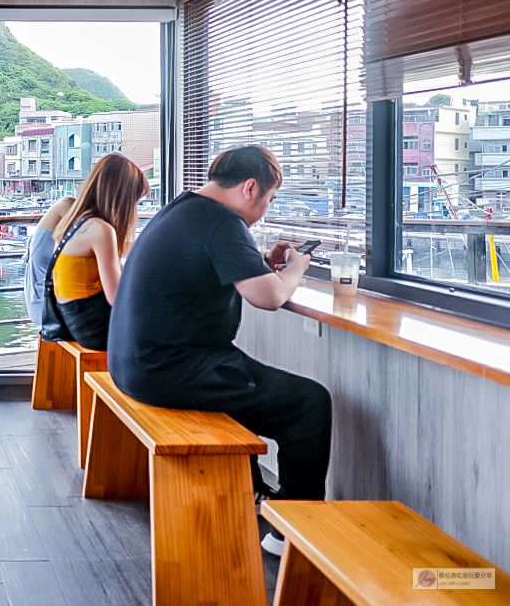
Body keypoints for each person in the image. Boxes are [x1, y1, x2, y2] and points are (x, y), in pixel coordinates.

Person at [106, 144, 332, 557]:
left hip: (133, 362)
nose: (267, 207)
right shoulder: (221, 222)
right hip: (172, 368)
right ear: (250, 188)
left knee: (257, 387)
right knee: (309, 403)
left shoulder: (185, 209)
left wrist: (262, 260)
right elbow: (269, 297)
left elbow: (213, 268)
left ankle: (261, 496)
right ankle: (293, 531)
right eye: (270, 198)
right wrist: (297, 268)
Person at [50, 154, 149, 351]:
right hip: (96, 330)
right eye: (135, 201)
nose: (134, 208)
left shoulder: (75, 221)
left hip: (76, 322)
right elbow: (117, 298)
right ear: (121, 197)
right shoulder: (101, 230)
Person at [23, 195, 75, 326]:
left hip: (46, 308)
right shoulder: (67, 207)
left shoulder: (45, 238)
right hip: (50, 310)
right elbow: (66, 203)